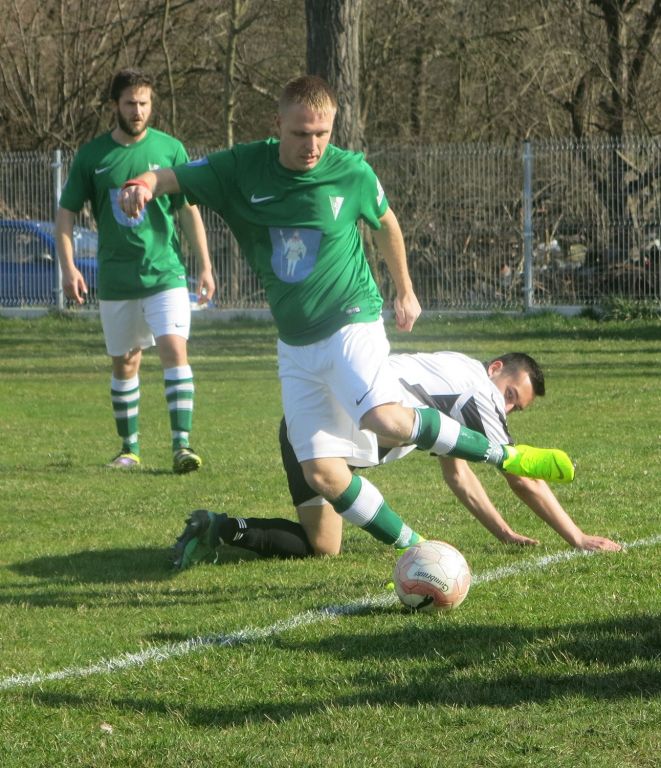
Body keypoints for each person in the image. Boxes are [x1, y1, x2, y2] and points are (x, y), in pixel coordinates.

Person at [119, 74, 574, 564]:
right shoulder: (242, 165)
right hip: (295, 344)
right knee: (322, 475)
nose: (312, 145)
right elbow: (173, 177)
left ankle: (501, 458)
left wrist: (405, 290)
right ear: (278, 124)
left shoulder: (351, 172)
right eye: (300, 133)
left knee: (384, 419)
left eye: (322, 133)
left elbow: (386, 222)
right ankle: (418, 549)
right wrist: (142, 184)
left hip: (351, 320)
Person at [170, 351, 620, 568]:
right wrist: (577, 536)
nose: (505, 408)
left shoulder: (451, 373)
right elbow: (522, 475)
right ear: (496, 368)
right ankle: (411, 545)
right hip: (340, 423)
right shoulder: (478, 390)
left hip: (304, 425)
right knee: (333, 494)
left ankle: (219, 528)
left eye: (515, 408)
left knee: (323, 546)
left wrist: (503, 532)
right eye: (510, 395)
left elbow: (459, 474)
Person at [55, 68, 215, 474]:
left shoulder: (170, 150)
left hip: (165, 274)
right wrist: (69, 267)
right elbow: (66, 213)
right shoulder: (92, 156)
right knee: (126, 362)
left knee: (174, 349)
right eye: (130, 103)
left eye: (144, 103)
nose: (138, 111)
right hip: (116, 279)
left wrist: (205, 265)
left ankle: (182, 445)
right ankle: (129, 449)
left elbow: (188, 210)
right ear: (115, 105)